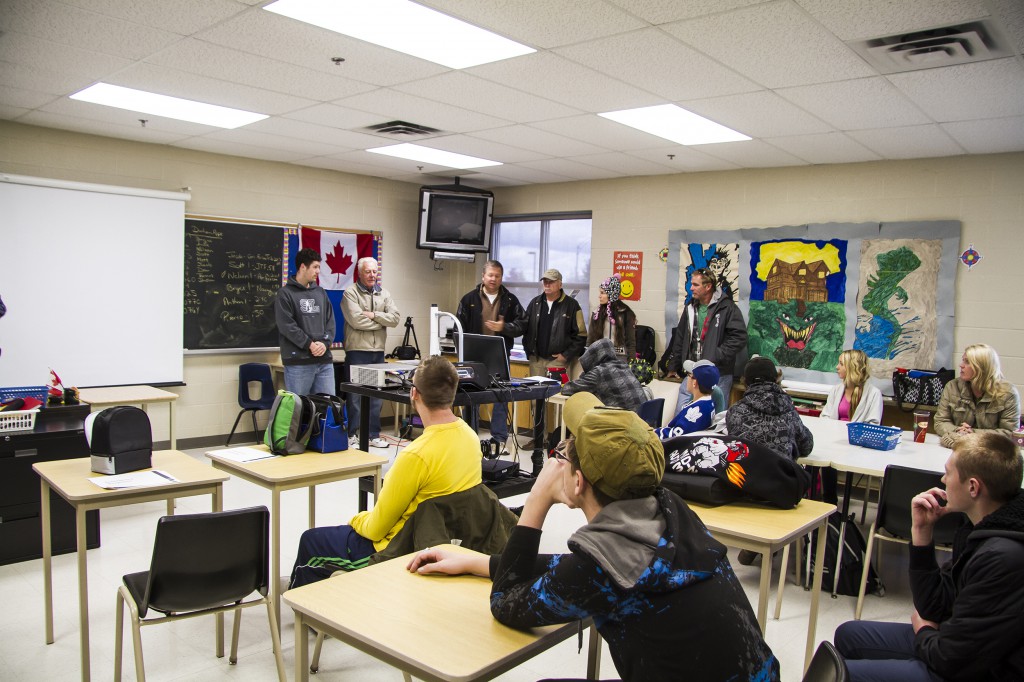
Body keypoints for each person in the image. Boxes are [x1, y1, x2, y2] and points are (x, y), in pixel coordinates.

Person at [407, 392, 780, 682]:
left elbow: (506, 603)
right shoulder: (671, 512)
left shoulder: (605, 564)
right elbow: (580, 569)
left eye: (566, 452)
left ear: (578, 482)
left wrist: (536, 502)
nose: (560, 458)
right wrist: (480, 562)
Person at [834, 431, 1024, 681]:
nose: (943, 479)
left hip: (977, 669)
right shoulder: (980, 527)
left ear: (973, 487)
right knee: (848, 635)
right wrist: (922, 533)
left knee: (840, 674)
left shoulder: (1003, 557)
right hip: (955, 645)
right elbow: (934, 606)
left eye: (948, 473)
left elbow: (950, 659)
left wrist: (924, 632)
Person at [288, 356, 481, 588]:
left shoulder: (416, 455)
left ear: (414, 394)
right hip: (442, 543)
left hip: (397, 549)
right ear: (453, 393)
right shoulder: (471, 437)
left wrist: (355, 519)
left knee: (311, 541)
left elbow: (375, 529)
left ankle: (303, 606)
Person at [456, 259, 526, 447]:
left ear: (501, 278)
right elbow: (458, 328)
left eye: (497, 276)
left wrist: (504, 327)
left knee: (501, 395)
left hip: (499, 356)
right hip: (473, 357)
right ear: (483, 276)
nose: (493, 279)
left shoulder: (510, 300)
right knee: (471, 395)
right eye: (490, 275)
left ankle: (499, 438)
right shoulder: (469, 299)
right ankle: (470, 437)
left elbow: (522, 325)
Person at [665, 267, 747, 415]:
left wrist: (717, 355)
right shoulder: (690, 307)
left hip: (719, 373)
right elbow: (680, 338)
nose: (691, 288)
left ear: (708, 287)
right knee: (681, 414)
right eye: (691, 284)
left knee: (714, 416)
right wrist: (673, 366)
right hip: (693, 372)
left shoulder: (727, 307)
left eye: (695, 285)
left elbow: (739, 337)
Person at [342, 257, 400, 449]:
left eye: (375, 271)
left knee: (376, 396)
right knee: (355, 397)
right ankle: (352, 435)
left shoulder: (384, 293)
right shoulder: (350, 293)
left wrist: (374, 315)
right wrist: (381, 322)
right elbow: (356, 320)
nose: (372, 275)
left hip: (377, 352)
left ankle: (373, 435)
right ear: (360, 273)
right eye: (368, 271)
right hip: (357, 351)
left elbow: (395, 319)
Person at [820, 349, 883, 503]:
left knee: (831, 459)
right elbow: (825, 417)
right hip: (834, 443)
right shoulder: (836, 390)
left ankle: (832, 506)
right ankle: (826, 501)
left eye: (841, 364)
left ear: (852, 367)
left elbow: (873, 424)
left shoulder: (873, 394)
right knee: (818, 457)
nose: (837, 367)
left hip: (857, 445)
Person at [934, 343, 1020, 449]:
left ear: (982, 367)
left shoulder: (1008, 393)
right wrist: (957, 430)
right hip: (957, 446)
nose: (961, 365)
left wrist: (973, 434)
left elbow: (1010, 432)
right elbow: (940, 421)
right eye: (963, 360)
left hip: (991, 450)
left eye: (967, 362)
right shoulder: (952, 387)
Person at [727, 355, 813, 461]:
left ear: (745, 381)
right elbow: (806, 447)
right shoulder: (788, 409)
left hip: (746, 471)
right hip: (780, 471)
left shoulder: (735, 411)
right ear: (777, 378)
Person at [275, 248, 336, 395]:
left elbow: (330, 322)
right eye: (315, 267)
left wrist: (324, 343)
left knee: (328, 404)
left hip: (324, 360)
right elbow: (287, 326)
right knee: (300, 406)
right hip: (298, 362)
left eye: (319, 267)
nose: (318, 271)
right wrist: (310, 344)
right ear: (303, 267)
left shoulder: (320, 292)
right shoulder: (285, 294)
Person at [521, 268, 587, 379]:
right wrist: (529, 352)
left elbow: (581, 335)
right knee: (536, 390)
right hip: (536, 361)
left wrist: (565, 355)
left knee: (557, 390)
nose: (547, 284)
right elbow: (525, 329)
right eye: (545, 281)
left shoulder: (572, 305)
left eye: (551, 281)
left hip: (558, 362)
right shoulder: (535, 303)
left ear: (560, 284)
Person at [560, 338, 646, 412]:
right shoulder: (624, 366)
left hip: (624, 422)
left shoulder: (598, 372)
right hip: (644, 420)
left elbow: (567, 389)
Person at [656, 359, 719, 439]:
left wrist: (652, 433)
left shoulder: (697, 411)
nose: (687, 378)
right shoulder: (708, 403)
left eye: (688, 374)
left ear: (694, 383)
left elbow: (674, 437)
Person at [586, 275, 637, 362]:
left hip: (620, 359)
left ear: (612, 294)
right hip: (600, 359)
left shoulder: (626, 313)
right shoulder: (596, 314)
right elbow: (590, 340)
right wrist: (587, 359)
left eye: (602, 293)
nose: (599, 296)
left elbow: (631, 342)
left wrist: (632, 363)